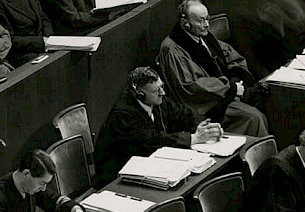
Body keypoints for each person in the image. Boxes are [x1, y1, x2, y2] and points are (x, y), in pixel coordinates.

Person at [92, 67, 223, 188]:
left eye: (162, 87)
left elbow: (182, 113)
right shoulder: (123, 113)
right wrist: (192, 138)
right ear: (140, 94)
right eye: (156, 91)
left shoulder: (157, 100)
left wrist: (205, 127)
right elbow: (151, 140)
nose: (163, 93)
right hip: (115, 175)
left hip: (147, 166)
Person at [157, 0, 269, 135]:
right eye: (201, 21)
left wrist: (235, 78)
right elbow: (191, 86)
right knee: (254, 117)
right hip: (204, 105)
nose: (206, 25)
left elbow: (230, 55)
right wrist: (230, 88)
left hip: (222, 92)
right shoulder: (173, 50)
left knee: (268, 98)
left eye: (207, 19)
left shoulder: (202, 36)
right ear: (185, 24)